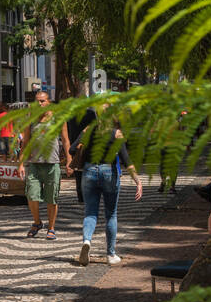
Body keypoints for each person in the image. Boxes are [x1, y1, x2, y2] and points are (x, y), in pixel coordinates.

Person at [73, 104, 143, 266]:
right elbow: (126, 160)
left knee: (90, 212)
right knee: (111, 214)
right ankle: (111, 254)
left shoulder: (88, 132)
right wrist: (138, 182)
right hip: (109, 172)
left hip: (89, 171)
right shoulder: (116, 134)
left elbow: (71, 149)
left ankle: (87, 241)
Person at [18, 90, 72, 240]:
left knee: (51, 198)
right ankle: (37, 222)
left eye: (42, 101)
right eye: (37, 101)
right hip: (34, 164)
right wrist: (21, 164)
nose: (39, 104)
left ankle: (51, 227)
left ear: (49, 102)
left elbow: (66, 140)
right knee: (32, 196)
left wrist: (69, 160)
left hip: (52, 164)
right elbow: (25, 142)